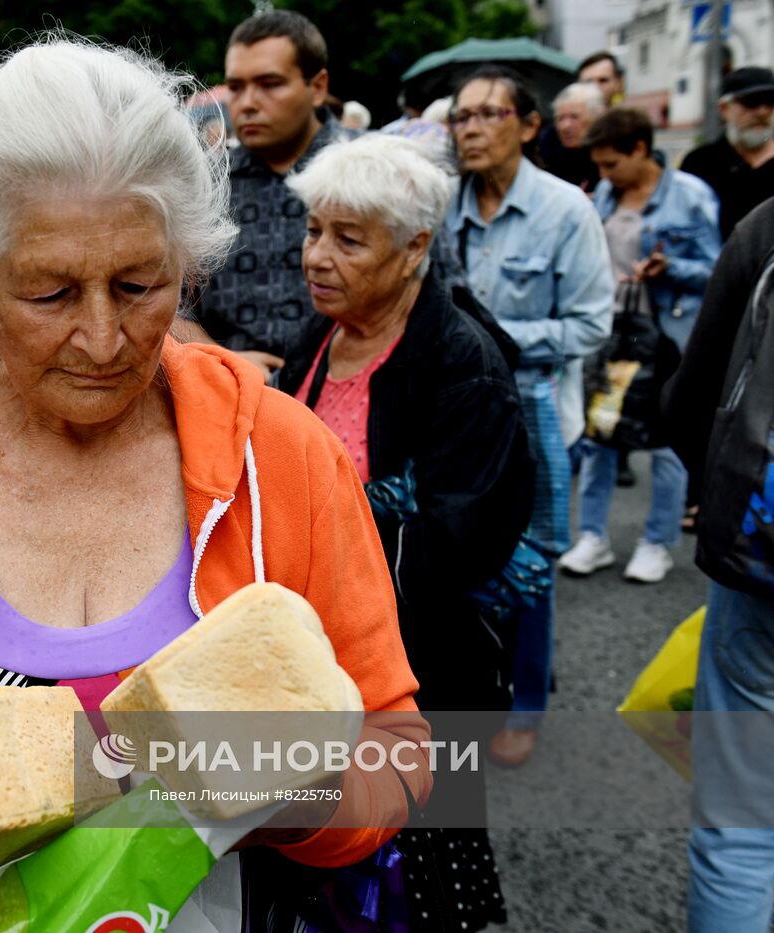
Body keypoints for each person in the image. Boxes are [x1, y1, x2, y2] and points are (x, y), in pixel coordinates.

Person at [0, 39, 431, 932]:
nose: (105, 339)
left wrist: (302, 800)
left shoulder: (284, 458)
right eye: (51, 293)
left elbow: (398, 746)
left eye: (140, 284)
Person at [279, 134, 533, 931]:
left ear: (415, 245)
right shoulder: (320, 339)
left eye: (348, 239)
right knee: (329, 865)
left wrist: (330, 555)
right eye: (315, 230)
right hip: (319, 659)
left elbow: (463, 537)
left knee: (422, 869)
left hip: (416, 665)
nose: (318, 256)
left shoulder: (464, 362)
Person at [443, 66, 615, 768]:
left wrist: (498, 337)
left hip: (538, 408)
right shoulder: (443, 204)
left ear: (528, 125)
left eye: (489, 114)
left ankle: (526, 703)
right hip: (459, 415)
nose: (473, 128)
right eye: (462, 117)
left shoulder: (564, 210)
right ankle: (481, 683)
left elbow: (591, 323)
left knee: (533, 561)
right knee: (460, 555)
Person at [662, 198, 774, 932]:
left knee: (739, 824)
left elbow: (691, 397)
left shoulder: (767, 226)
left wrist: (716, 493)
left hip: (764, 557)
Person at [560, 108, 720, 583]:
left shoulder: (690, 197)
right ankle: (592, 536)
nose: (604, 175)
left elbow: (717, 267)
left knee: (664, 443)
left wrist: (669, 268)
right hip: (612, 334)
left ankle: (657, 542)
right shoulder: (605, 193)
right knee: (600, 434)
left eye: (611, 163)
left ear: (641, 150)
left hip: (668, 337)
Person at [188, 10, 351, 374]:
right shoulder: (204, 185)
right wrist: (217, 355)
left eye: (269, 84)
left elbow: (434, 296)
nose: (246, 103)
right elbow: (165, 305)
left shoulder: (374, 171)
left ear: (318, 87)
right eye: (236, 87)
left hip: (354, 404)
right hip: (232, 399)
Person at [681, 66, 774, 239]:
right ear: (724, 109)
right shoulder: (701, 163)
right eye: (751, 102)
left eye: (770, 102)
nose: (763, 112)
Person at [538, 81, 605, 192]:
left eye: (574, 117)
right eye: (560, 118)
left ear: (597, 118)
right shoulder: (545, 150)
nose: (565, 126)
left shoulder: (611, 153)